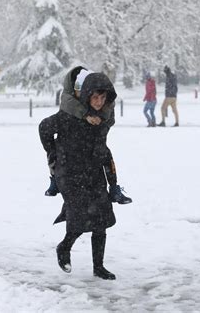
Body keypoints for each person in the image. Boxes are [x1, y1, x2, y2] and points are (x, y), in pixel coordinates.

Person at [39, 72, 119, 280]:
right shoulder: (68, 117)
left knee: (101, 218)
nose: (99, 102)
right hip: (70, 173)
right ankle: (64, 248)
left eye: (103, 98)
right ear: (86, 96)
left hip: (93, 171)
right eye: (95, 97)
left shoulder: (103, 120)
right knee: (80, 217)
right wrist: (54, 154)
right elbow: (44, 128)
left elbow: (103, 147)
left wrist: (113, 181)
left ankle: (98, 267)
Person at [44, 66, 132, 205]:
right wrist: (51, 148)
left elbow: (109, 115)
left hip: (93, 139)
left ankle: (114, 188)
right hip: (68, 142)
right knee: (55, 156)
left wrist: (101, 122)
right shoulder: (69, 99)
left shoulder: (99, 97)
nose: (99, 101)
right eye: (77, 90)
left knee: (105, 155)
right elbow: (64, 112)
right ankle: (54, 179)